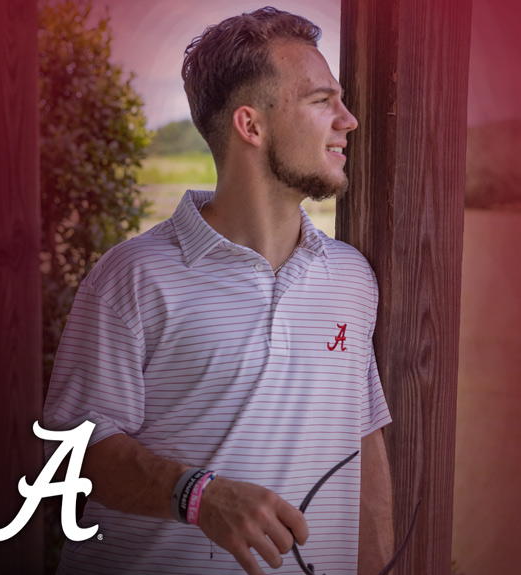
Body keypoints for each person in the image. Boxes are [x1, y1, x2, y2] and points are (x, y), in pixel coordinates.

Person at [44, 6, 394, 575]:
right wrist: (197, 496)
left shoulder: (352, 278)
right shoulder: (133, 277)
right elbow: (68, 456)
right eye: (321, 100)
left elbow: (362, 438)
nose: (348, 119)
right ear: (250, 126)